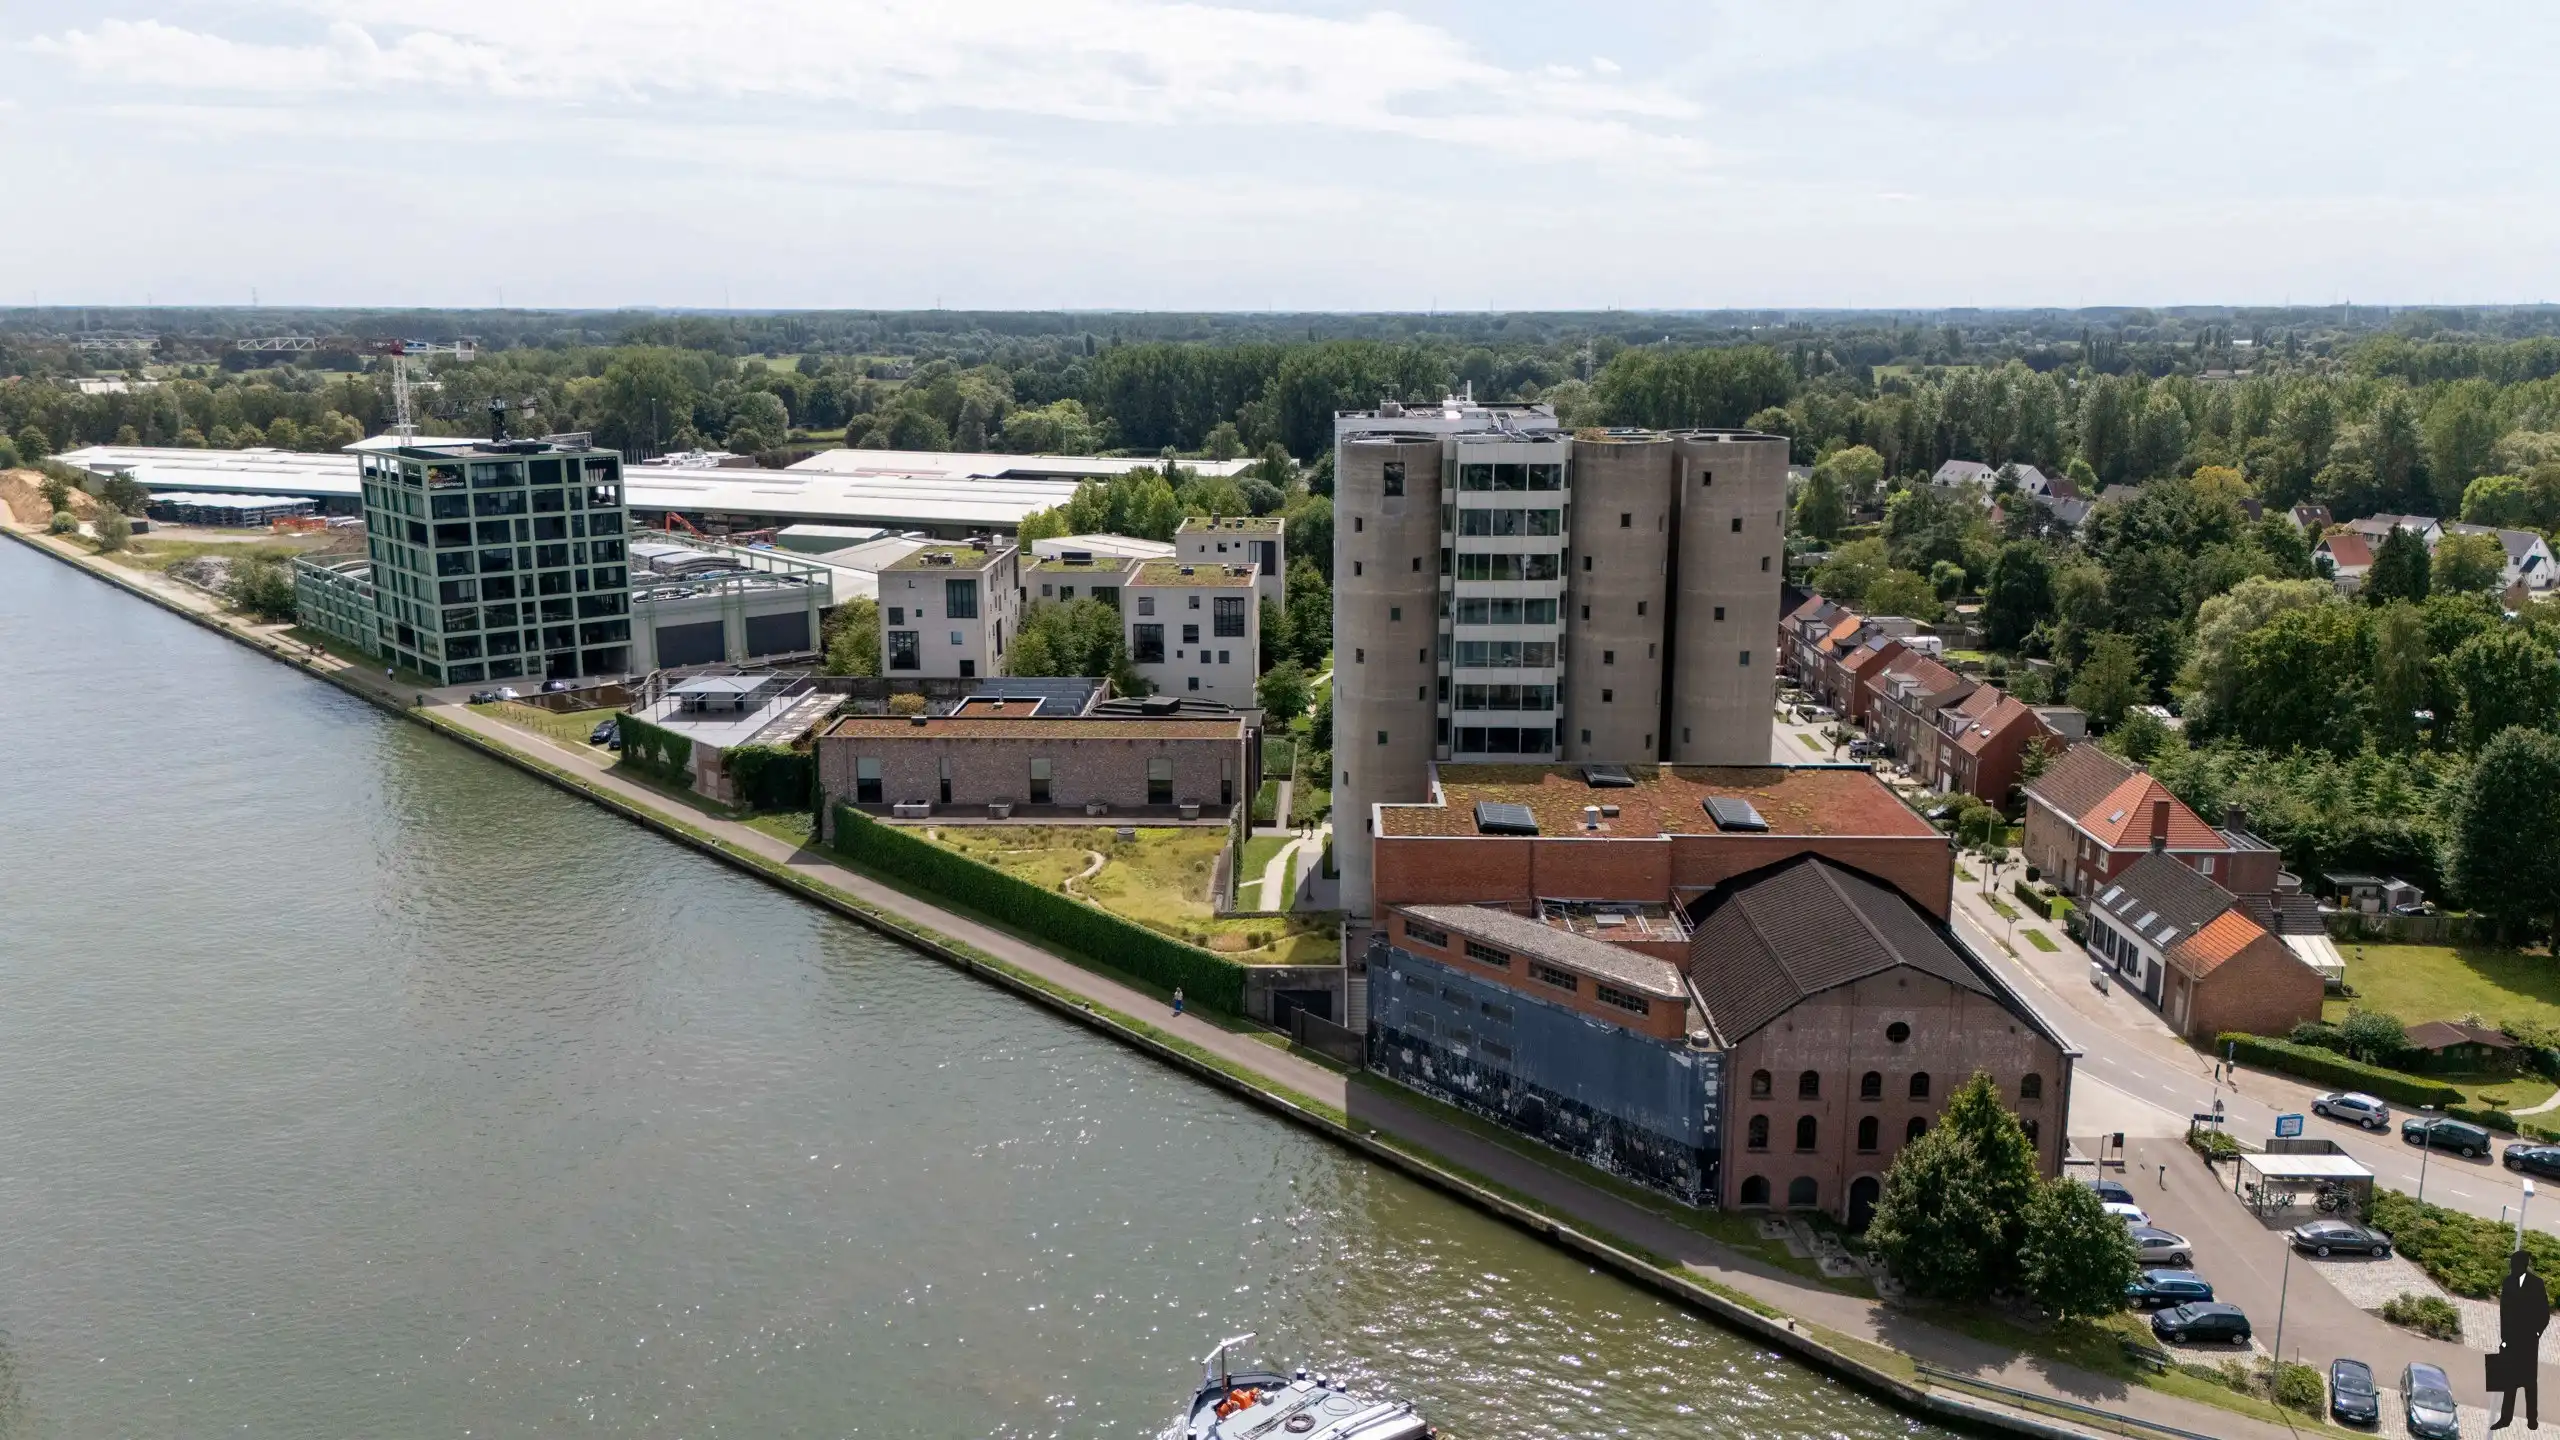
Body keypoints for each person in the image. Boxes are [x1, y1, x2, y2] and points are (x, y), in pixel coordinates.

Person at [2494, 1249, 2549, 1429]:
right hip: (2511, 1341)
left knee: (2529, 1383)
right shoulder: (2508, 1283)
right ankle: (2505, 1419)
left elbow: (2545, 1313)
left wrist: (2537, 1333)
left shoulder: (2536, 1284)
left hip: (2528, 1342)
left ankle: (2532, 1419)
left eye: (2514, 1264)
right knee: (2509, 1383)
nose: (2511, 1267)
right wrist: (2504, 1338)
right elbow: (2504, 1312)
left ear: (2523, 1265)